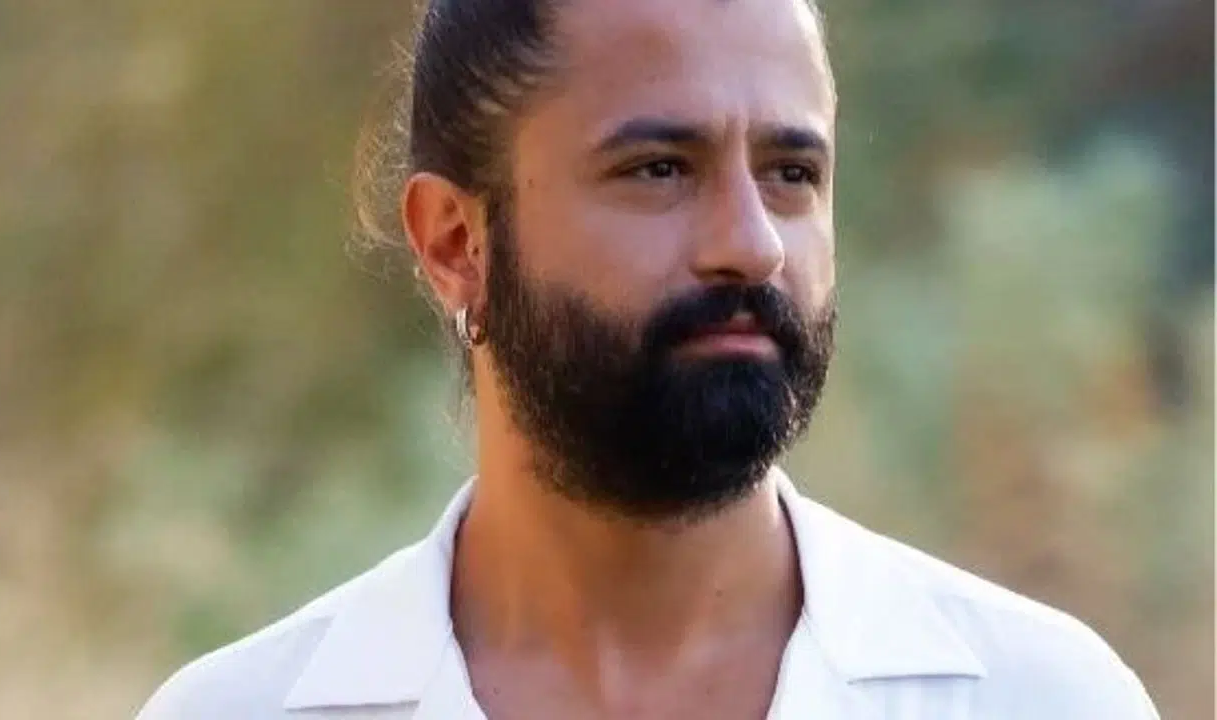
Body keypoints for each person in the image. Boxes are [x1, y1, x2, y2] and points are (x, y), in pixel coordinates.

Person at [136, 0, 1160, 717]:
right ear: (454, 243)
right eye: (659, 169)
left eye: (791, 173)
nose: (751, 244)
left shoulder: (1039, 699)